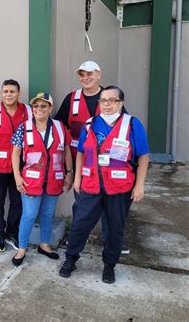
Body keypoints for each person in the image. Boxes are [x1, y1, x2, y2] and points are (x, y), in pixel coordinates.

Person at [59, 85, 149, 284]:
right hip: (91, 184)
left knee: (115, 228)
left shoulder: (132, 124)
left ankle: (109, 265)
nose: (107, 104)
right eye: (103, 100)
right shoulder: (91, 124)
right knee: (80, 224)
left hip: (119, 188)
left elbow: (143, 156)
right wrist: (77, 178)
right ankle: (71, 259)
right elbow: (81, 152)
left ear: (120, 103)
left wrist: (139, 186)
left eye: (112, 100)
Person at [55, 61, 130, 254]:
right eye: (82, 74)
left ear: (99, 74)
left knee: (110, 208)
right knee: (82, 205)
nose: (85, 78)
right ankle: (76, 239)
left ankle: (113, 240)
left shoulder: (110, 98)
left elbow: (125, 127)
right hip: (82, 165)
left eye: (90, 73)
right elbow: (58, 127)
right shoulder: (71, 99)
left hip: (110, 166)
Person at [10, 93, 73, 266]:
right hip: (31, 181)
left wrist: (69, 173)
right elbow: (15, 153)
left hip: (55, 179)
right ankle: (22, 248)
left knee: (47, 214)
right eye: (36, 106)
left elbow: (67, 150)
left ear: (50, 108)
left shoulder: (60, 127)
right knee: (29, 214)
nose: (39, 109)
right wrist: (17, 176)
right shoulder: (23, 128)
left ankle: (44, 245)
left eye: (43, 106)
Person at [0, 79, 33, 252]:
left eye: (12, 91)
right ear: (1, 93)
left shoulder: (28, 111)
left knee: (17, 202)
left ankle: (12, 232)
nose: (9, 94)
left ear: (19, 94)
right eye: (6, 91)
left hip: (21, 166)